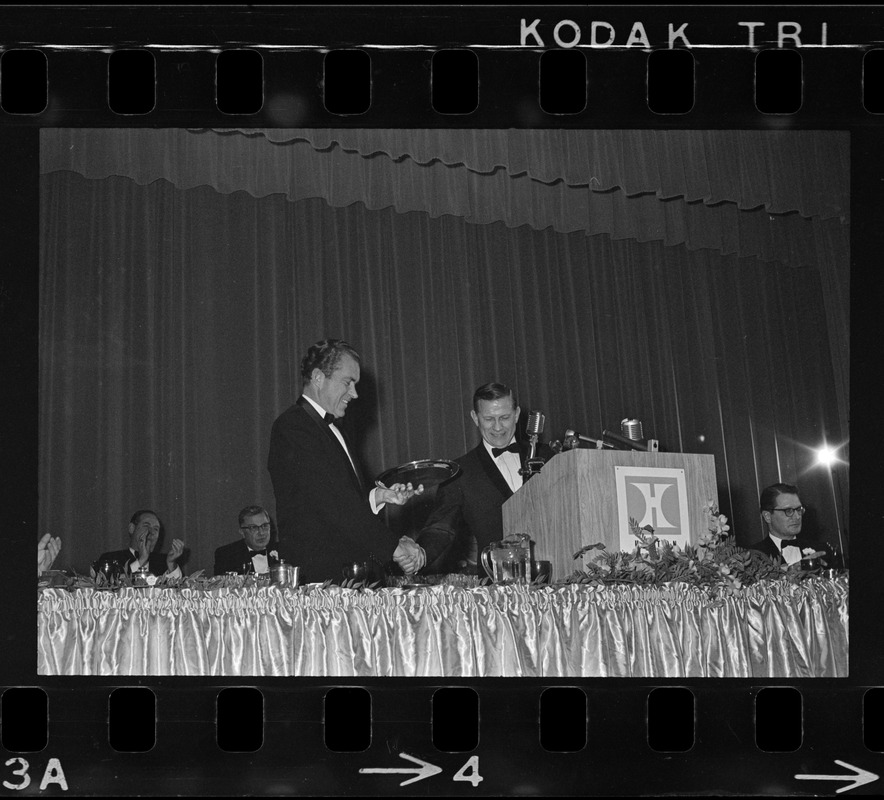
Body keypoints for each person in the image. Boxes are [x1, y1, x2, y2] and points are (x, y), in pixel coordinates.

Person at [267, 339, 423, 584]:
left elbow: (338, 496)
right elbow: (334, 503)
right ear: (318, 377)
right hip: (320, 582)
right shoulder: (293, 427)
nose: (355, 393)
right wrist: (393, 547)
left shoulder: (336, 431)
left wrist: (377, 497)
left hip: (348, 579)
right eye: (347, 382)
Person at [395, 382, 554, 576]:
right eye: (488, 419)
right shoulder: (460, 472)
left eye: (504, 417)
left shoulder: (547, 456)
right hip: (496, 588)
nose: (497, 427)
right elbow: (441, 527)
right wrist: (420, 554)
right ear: (475, 418)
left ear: (517, 414)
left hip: (555, 577)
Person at [749, 483, 834, 566]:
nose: (797, 516)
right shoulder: (752, 557)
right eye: (788, 511)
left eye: (798, 509)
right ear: (767, 516)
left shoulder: (822, 550)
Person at [93, 510, 185, 578]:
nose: (151, 532)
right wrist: (141, 560)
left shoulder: (164, 561)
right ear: (132, 528)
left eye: (156, 529)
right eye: (146, 526)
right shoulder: (110, 558)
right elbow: (108, 586)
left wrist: (171, 564)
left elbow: (177, 592)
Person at [213, 505, 287, 576]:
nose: (261, 533)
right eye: (253, 527)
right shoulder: (227, 555)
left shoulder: (284, 551)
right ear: (242, 532)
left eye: (264, 526)